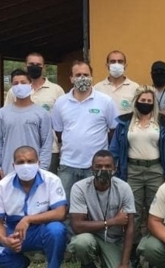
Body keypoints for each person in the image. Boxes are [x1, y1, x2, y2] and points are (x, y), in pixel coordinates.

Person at [0, 146, 68, 268]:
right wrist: (5, 240)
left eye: (30, 161)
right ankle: (18, 264)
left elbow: (60, 212)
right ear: (14, 165)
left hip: (40, 230)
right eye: (21, 162)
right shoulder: (2, 186)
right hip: (13, 231)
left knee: (57, 230)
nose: (26, 166)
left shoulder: (51, 180)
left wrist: (28, 219)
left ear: (38, 162)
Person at [109, 85, 165, 241]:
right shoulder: (124, 122)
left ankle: (155, 252)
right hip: (132, 171)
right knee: (133, 212)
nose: (146, 103)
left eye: (149, 100)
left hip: (156, 170)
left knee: (158, 211)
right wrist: (113, 170)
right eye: (143, 100)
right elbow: (114, 149)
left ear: (154, 103)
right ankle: (132, 251)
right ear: (136, 101)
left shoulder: (163, 123)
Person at [67, 150, 138, 268]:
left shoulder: (124, 188)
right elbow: (77, 226)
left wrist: (124, 264)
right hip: (91, 236)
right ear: (91, 168)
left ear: (115, 169)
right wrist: (111, 222)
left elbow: (130, 228)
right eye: (98, 166)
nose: (103, 170)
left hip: (113, 240)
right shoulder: (79, 188)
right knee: (80, 242)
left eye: (107, 166)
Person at [51, 60, 119, 203]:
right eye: (78, 75)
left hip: (95, 166)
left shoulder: (105, 101)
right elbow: (59, 132)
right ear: (71, 78)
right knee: (65, 206)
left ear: (92, 77)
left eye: (86, 75)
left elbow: (113, 130)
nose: (82, 78)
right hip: (68, 165)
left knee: (96, 206)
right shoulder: (61, 102)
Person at [5, 52, 66, 172]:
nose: (35, 67)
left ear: (44, 67)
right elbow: (6, 117)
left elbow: (63, 119)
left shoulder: (56, 90)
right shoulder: (14, 91)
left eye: (38, 64)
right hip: (20, 148)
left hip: (49, 150)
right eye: (31, 64)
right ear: (25, 66)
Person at [0, 69, 53, 182]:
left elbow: (46, 143)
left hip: (34, 169)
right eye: (15, 83)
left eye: (23, 82)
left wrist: (42, 169)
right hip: (8, 170)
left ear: (31, 85)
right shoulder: (2, 113)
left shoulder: (42, 114)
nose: (19, 86)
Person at [94, 50, 139, 116]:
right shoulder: (97, 88)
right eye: (113, 61)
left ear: (125, 65)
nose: (116, 64)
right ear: (107, 65)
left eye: (120, 61)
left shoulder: (135, 88)